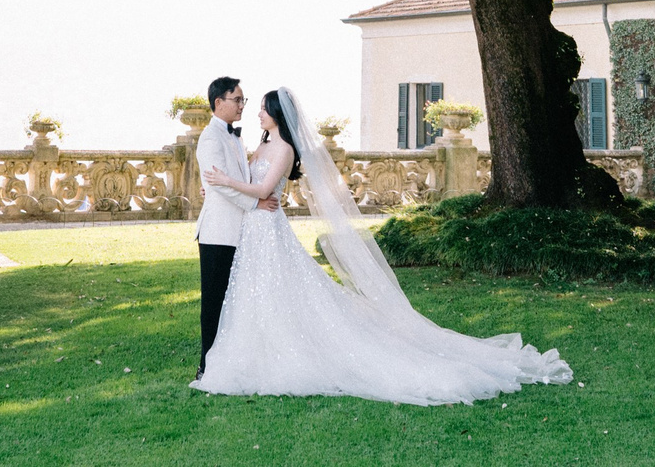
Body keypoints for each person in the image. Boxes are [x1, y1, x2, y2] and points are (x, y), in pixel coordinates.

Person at [193, 85, 571, 404]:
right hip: (253, 233)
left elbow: (262, 189)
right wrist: (236, 182)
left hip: (267, 228)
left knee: (284, 292)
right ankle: (255, 351)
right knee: (259, 294)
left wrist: (228, 183)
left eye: (260, 107)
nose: (255, 111)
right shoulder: (259, 145)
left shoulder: (285, 150)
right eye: (249, 104)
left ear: (277, 113)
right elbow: (250, 178)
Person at [193, 75, 250, 373]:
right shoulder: (211, 137)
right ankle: (207, 366)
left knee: (234, 302)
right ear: (219, 103)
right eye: (237, 99)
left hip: (238, 231)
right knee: (214, 302)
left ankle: (227, 362)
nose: (242, 105)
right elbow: (221, 187)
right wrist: (255, 204)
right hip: (218, 232)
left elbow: (240, 179)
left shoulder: (235, 136)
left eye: (243, 100)